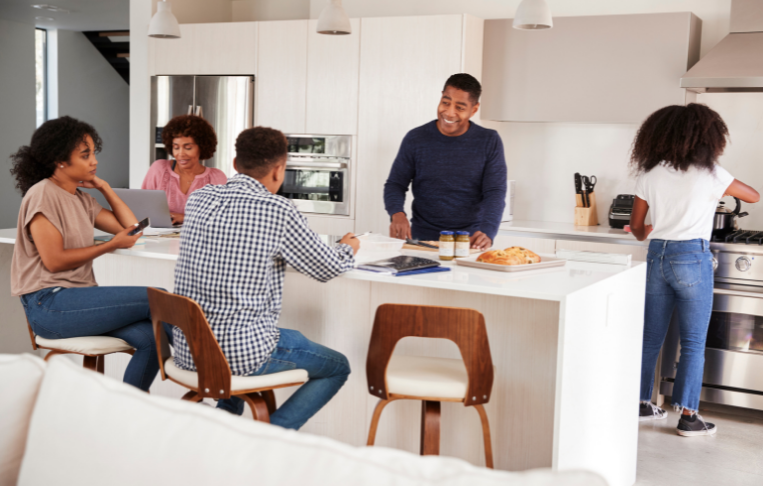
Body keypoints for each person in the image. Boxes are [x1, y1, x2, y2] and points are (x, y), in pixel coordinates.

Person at [172, 126, 359, 429]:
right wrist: (348, 248)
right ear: (279, 170)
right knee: (338, 366)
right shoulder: (279, 210)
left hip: (190, 351)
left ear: (234, 164)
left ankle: (221, 436)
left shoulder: (199, 198)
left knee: (253, 338)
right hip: (241, 353)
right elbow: (327, 268)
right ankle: (270, 438)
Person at [629, 103, 759, 436]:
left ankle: (641, 404)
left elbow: (638, 227)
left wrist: (653, 230)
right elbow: (753, 196)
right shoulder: (711, 173)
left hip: (657, 257)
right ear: (708, 137)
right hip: (692, 259)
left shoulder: (650, 174)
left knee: (649, 340)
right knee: (693, 343)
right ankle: (688, 416)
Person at [10, 116, 162, 392]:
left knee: (153, 337)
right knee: (159, 298)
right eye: (85, 155)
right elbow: (54, 261)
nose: (94, 161)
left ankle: (131, 414)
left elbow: (130, 230)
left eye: (94, 153)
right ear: (60, 160)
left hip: (76, 302)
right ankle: (211, 377)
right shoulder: (42, 194)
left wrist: (104, 188)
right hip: (49, 305)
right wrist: (109, 245)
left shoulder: (81, 198)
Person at [384, 73, 507, 250]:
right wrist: (397, 213)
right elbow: (395, 183)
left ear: (474, 109)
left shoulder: (489, 141)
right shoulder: (416, 138)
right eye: (445, 102)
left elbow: (495, 192)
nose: (449, 112)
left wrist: (488, 230)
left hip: (469, 242)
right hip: (422, 240)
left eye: (460, 107)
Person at [142, 115, 227, 225]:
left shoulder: (216, 177)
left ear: (202, 147)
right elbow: (143, 209)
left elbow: (223, 218)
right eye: (176, 147)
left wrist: (185, 218)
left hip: (200, 240)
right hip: (158, 239)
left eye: (188, 147)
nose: (180, 154)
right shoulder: (159, 169)